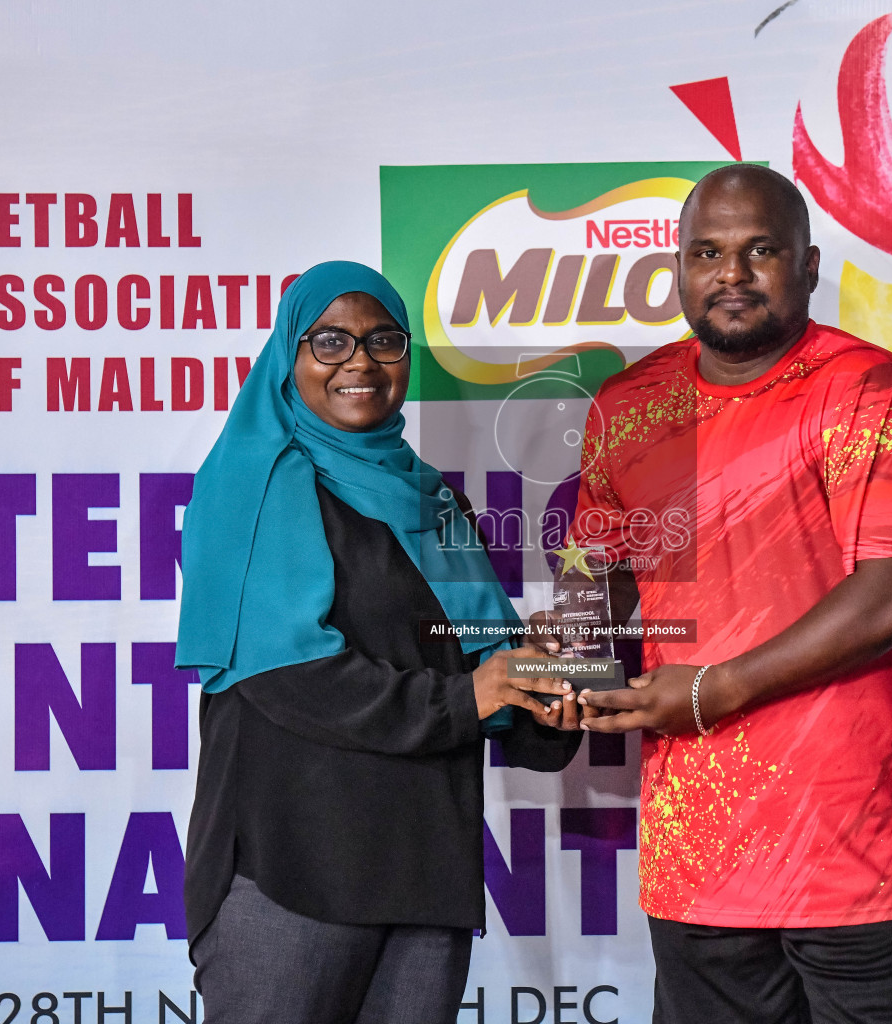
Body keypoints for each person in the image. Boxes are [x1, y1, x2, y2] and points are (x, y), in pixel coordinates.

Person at [562, 165, 892, 1023]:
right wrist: (566, 655)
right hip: (698, 858)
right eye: (707, 252)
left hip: (855, 856)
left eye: (759, 251)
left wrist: (715, 688)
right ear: (678, 268)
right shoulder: (628, 404)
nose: (730, 275)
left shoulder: (870, 390)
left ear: (808, 267)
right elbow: (600, 566)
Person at [175, 261, 582, 1024]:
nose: (358, 360)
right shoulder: (254, 482)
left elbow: (484, 669)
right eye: (328, 341)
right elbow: (292, 677)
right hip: (292, 869)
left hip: (424, 866)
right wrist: (474, 695)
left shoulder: (433, 498)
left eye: (382, 340)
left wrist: (544, 697)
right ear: (287, 358)